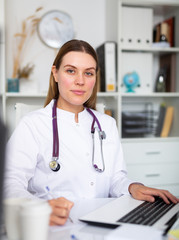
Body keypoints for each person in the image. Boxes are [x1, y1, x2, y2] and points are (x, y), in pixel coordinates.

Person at [4, 39, 179, 226]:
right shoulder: (33, 124)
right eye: (71, 71)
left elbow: (116, 179)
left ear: (95, 78)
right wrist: (39, 209)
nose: (80, 81)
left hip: (103, 222)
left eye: (88, 73)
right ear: (55, 73)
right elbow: (9, 183)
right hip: (55, 225)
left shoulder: (107, 124)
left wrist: (132, 187)